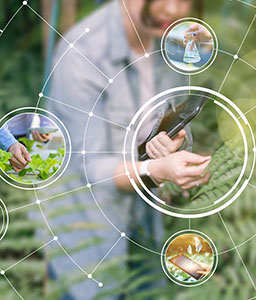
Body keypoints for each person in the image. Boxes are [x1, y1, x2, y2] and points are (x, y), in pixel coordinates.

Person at [45, 0, 207, 299]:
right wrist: (155, 170)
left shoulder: (169, 46)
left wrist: (172, 147)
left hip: (146, 225)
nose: (174, 10)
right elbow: (94, 170)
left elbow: (165, 125)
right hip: (88, 236)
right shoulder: (83, 53)